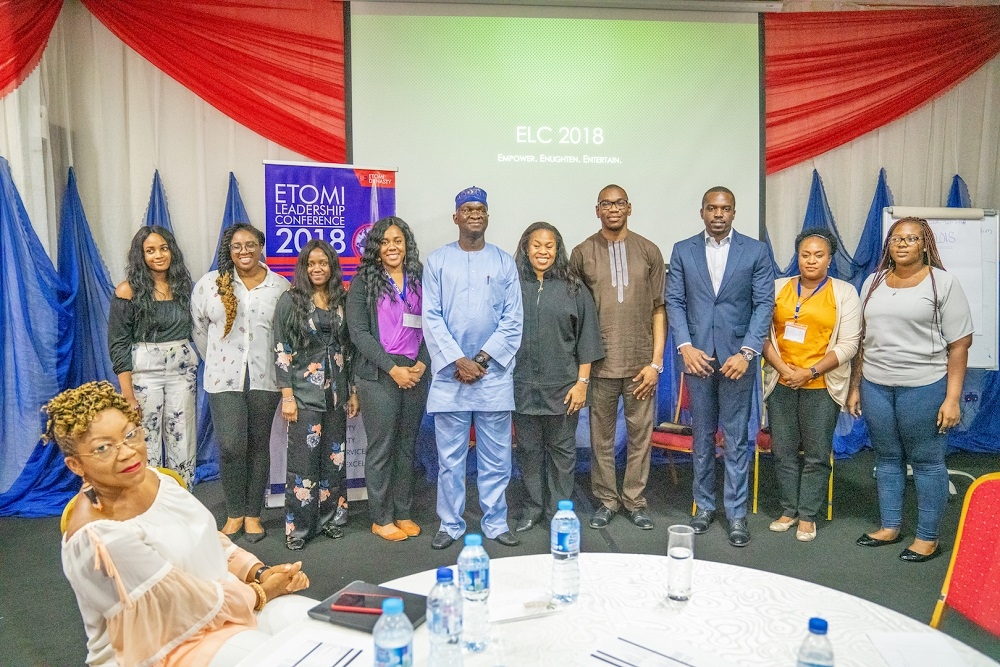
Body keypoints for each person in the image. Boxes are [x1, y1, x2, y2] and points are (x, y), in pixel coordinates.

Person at [51, 381, 313, 667]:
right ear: (76, 465)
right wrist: (262, 593)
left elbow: (202, 536)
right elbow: (186, 606)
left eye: (130, 434)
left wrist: (257, 572)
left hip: (228, 607)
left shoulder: (154, 478)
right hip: (166, 646)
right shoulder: (100, 540)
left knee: (323, 627)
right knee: (290, 660)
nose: (127, 452)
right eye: (103, 448)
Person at [847, 217, 973, 562]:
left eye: (911, 238)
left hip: (925, 386)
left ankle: (928, 538)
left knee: (927, 461)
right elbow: (861, 341)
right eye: (896, 238)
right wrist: (856, 385)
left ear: (925, 244)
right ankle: (890, 527)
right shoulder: (872, 282)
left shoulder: (942, 283)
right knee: (887, 458)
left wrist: (952, 398)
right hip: (875, 384)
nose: (902, 244)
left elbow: (960, 344)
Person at [666, 186, 775, 547]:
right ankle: (704, 507)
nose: (718, 214)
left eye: (725, 209)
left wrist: (746, 353)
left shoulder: (756, 251)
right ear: (701, 212)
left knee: (737, 438)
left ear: (733, 212)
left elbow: (764, 305)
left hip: (736, 362)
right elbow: (675, 302)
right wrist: (685, 348)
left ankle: (737, 514)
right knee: (700, 437)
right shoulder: (683, 250)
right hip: (697, 358)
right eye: (712, 208)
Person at [422, 186, 523, 549]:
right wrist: (457, 361)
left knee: (497, 457)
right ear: (456, 218)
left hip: (492, 375)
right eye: (467, 209)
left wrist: (479, 360)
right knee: (450, 459)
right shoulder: (436, 261)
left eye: (480, 209)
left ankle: (496, 522)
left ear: (488, 216)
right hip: (451, 376)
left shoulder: (503, 262)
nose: (475, 214)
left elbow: (513, 320)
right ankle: (450, 524)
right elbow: (430, 317)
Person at [570, 184, 665, 531]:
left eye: (619, 203)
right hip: (599, 363)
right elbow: (576, 315)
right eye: (606, 204)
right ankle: (607, 500)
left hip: (641, 365)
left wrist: (656, 363)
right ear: (597, 210)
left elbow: (659, 310)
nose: (613, 209)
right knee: (601, 438)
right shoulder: (582, 253)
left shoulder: (649, 251)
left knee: (641, 437)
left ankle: (635, 501)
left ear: (629, 207)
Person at [761, 228, 861, 542]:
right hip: (781, 382)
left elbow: (849, 345)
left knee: (817, 454)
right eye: (805, 255)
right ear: (797, 257)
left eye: (819, 255)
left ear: (830, 259)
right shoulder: (777, 288)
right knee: (784, 451)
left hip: (822, 385)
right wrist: (783, 369)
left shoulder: (844, 293)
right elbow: (761, 335)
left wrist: (810, 372)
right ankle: (789, 510)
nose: (811, 261)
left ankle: (808, 515)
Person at [191, 223, 289, 543]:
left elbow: (284, 334)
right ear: (229, 250)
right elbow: (199, 330)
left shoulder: (280, 286)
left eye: (250, 244)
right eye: (236, 246)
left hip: (266, 378)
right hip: (223, 380)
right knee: (232, 446)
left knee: (259, 445)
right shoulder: (210, 285)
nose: (243, 251)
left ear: (261, 246)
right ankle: (234, 511)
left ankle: (252, 515)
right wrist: (217, 361)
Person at [513, 222, 604, 532]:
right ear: (526, 248)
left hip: (565, 389)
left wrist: (582, 384)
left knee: (563, 455)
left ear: (557, 250)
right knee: (528, 452)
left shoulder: (573, 288)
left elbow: (587, 341)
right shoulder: (513, 286)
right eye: (536, 245)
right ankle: (532, 509)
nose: (543, 251)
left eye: (549, 245)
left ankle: (558, 512)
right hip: (522, 387)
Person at [346, 217, 429, 542]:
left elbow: (432, 323)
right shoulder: (364, 282)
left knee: (407, 446)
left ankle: (403, 512)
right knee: (382, 447)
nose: (392, 247)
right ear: (376, 248)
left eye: (398, 240)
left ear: (406, 244)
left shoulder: (420, 279)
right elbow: (359, 333)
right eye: (385, 242)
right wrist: (391, 369)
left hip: (415, 371)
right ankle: (381, 517)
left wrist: (422, 363)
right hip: (379, 373)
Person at [273, 240, 358, 551]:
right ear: (304, 268)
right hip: (304, 395)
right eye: (312, 263)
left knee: (334, 460)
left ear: (332, 266)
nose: (318, 268)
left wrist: (352, 392)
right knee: (303, 462)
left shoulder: (341, 300)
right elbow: (282, 350)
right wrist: (287, 396)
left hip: (336, 395)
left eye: (323, 263)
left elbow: (348, 351)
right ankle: (299, 529)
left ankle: (331, 520)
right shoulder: (290, 301)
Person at [108, 225, 197, 486]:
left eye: (163, 248)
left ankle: (183, 499)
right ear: (141, 255)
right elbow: (118, 343)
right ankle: (150, 502)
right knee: (146, 439)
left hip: (182, 374)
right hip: (145, 376)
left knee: (184, 437)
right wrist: (127, 395)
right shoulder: (127, 290)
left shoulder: (184, 287)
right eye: (150, 250)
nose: (158, 255)